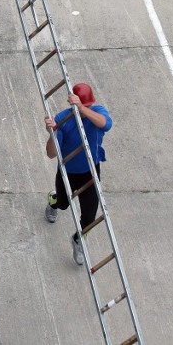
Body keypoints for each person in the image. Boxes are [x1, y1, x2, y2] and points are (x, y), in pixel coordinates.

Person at [43, 83, 112, 265]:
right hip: (68, 172)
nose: (85, 110)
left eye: (87, 106)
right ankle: (53, 200)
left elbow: (106, 124)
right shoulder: (63, 119)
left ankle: (78, 240)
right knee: (63, 204)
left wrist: (82, 108)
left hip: (90, 170)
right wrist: (52, 133)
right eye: (82, 106)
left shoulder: (97, 112)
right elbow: (51, 154)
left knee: (89, 216)